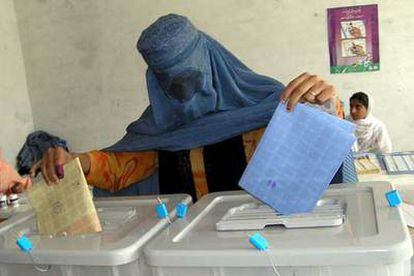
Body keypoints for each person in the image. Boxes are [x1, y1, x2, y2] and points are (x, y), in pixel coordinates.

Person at [30, 14, 357, 201]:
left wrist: (328, 107)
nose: (185, 92)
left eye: (191, 77)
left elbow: (317, 152)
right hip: (182, 252)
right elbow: (121, 168)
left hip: (264, 246)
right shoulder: (158, 126)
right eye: (170, 83)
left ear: (212, 60)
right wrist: (77, 161)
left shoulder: (272, 105)